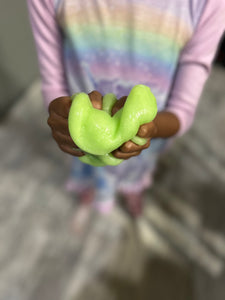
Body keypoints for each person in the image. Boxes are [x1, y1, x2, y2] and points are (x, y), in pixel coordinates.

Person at [27, 0, 225, 218]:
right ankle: (94, 188)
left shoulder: (209, 4)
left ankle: (132, 188)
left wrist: (151, 129)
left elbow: (183, 108)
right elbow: (53, 82)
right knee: (92, 168)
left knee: (135, 172)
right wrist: (61, 113)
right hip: (82, 139)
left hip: (149, 141)